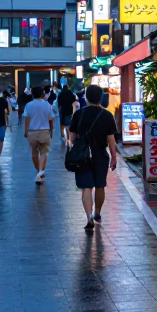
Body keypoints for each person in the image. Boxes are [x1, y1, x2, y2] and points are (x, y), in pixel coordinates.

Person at [67, 84, 119, 232]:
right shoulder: (107, 115)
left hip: (82, 156)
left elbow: (72, 137)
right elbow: (111, 140)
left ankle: (89, 216)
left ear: (86, 97)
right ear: (101, 97)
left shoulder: (78, 114)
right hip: (100, 155)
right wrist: (114, 157)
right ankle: (97, 213)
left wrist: (73, 145)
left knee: (86, 187)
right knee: (100, 185)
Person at [23, 85, 55, 184]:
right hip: (45, 131)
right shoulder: (47, 105)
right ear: (43, 94)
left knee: (34, 153)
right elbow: (51, 120)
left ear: (32, 94)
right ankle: (40, 172)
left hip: (32, 132)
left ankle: (39, 172)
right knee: (44, 153)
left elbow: (26, 119)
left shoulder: (29, 105)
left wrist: (26, 132)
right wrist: (52, 132)